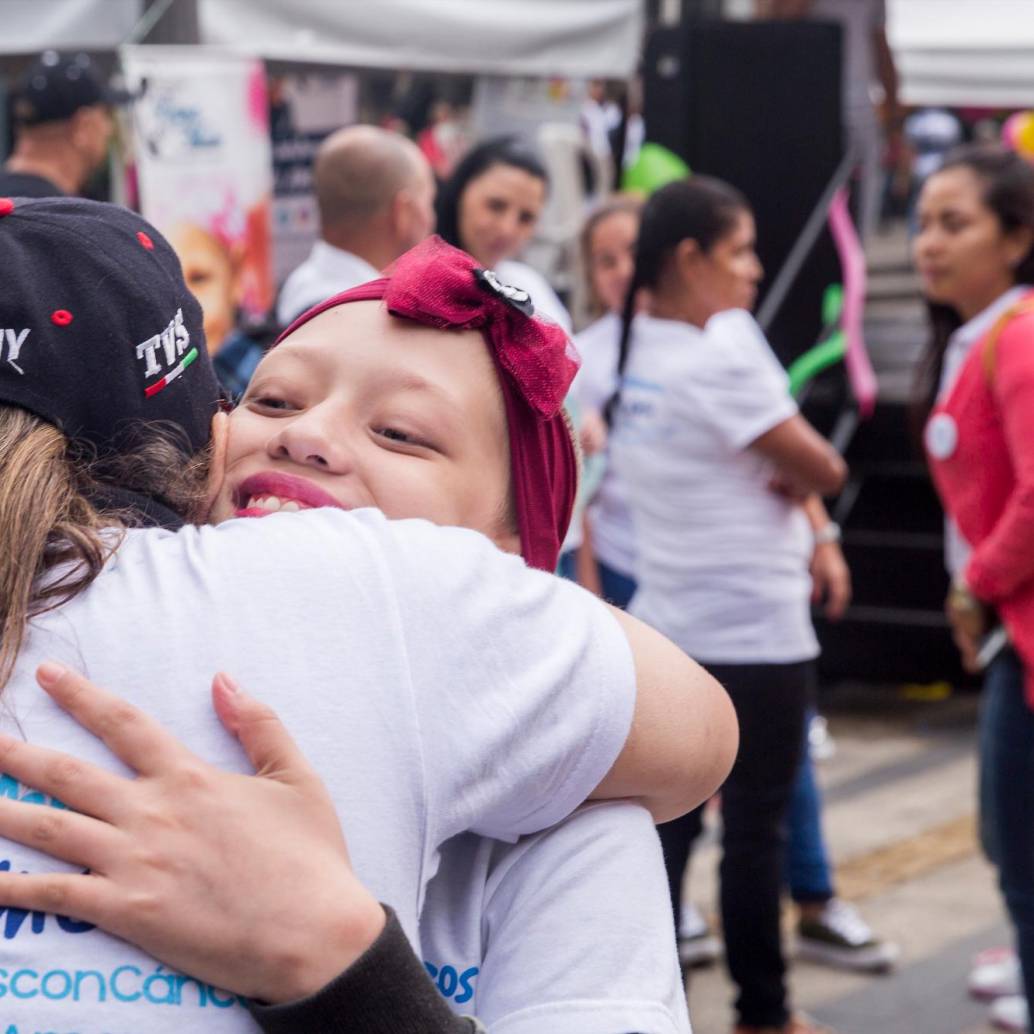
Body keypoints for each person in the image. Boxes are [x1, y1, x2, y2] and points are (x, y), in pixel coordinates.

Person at [0, 196, 734, 1032]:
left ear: (511, 564)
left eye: (401, 433)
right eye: (270, 402)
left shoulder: (570, 832)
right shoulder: (129, 621)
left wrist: (338, 959)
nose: (306, 435)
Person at [607, 177, 848, 1034]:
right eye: (740, 251)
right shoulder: (718, 359)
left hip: (671, 628)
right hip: (755, 633)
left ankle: (653, 1005)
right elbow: (825, 468)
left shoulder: (632, 353)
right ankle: (765, 1014)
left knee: (666, 834)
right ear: (690, 259)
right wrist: (798, 485)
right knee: (755, 835)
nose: (753, 271)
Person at [913, 144, 1034, 1034]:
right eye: (923, 223)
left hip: (1021, 632)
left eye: (955, 224)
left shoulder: (1021, 335)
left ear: (1018, 236)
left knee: (1018, 847)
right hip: (1012, 631)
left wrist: (975, 585)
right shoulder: (986, 335)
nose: (927, 244)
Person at [757, 0, 901, 242]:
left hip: (858, 116)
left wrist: (895, 126)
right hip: (802, 112)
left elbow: (881, 47)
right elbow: (770, 21)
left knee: (858, 218)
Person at [276, 124, 437, 325]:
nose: (431, 217)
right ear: (402, 212)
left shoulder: (301, 286)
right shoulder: (365, 317)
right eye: (429, 202)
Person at [435, 135, 571, 330]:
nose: (507, 229)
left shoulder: (529, 289)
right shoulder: (408, 280)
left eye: (526, 218)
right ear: (459, 193)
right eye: (496, 206)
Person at [0, 50, 126, 198]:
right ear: (82, 126)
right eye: (106, 115)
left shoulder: (10, 201)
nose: (109, 129)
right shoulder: (69, 217)